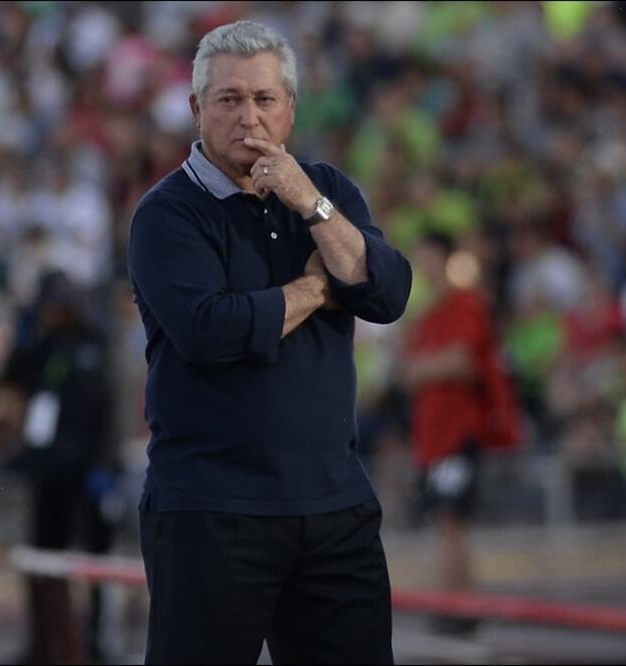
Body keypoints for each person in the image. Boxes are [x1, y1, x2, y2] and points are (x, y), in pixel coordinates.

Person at [127, 20, 412, 665]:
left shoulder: (328, 191)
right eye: (228, 99)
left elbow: (387, 292)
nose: (248, 117)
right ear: (197, 109)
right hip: (211, 511)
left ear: (290, 108)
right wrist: (316, 291)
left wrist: (309, 202)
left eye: (264, 99)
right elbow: (210, 330)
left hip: (335, 504)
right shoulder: (167, 214)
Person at [0, 270, 117, 664]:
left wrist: (105, 465)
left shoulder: (97, 346)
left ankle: (97, 645)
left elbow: (110, 409)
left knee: (96, 566)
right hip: (49, 472)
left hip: (87, 470)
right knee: (41, 562)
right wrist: (17, 326)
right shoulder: (45, 346)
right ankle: (45, 645)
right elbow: (5, 376)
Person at [401, 233, 521, 635]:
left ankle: (462, 604)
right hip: (434, 437)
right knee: (446, 520)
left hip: (458, 433)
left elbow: (459, 362)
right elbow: (413, 368)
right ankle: (456, 602)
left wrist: (426, 367)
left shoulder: (465, 305)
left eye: (430, 258)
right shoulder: (428, 316)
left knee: (453, 519)